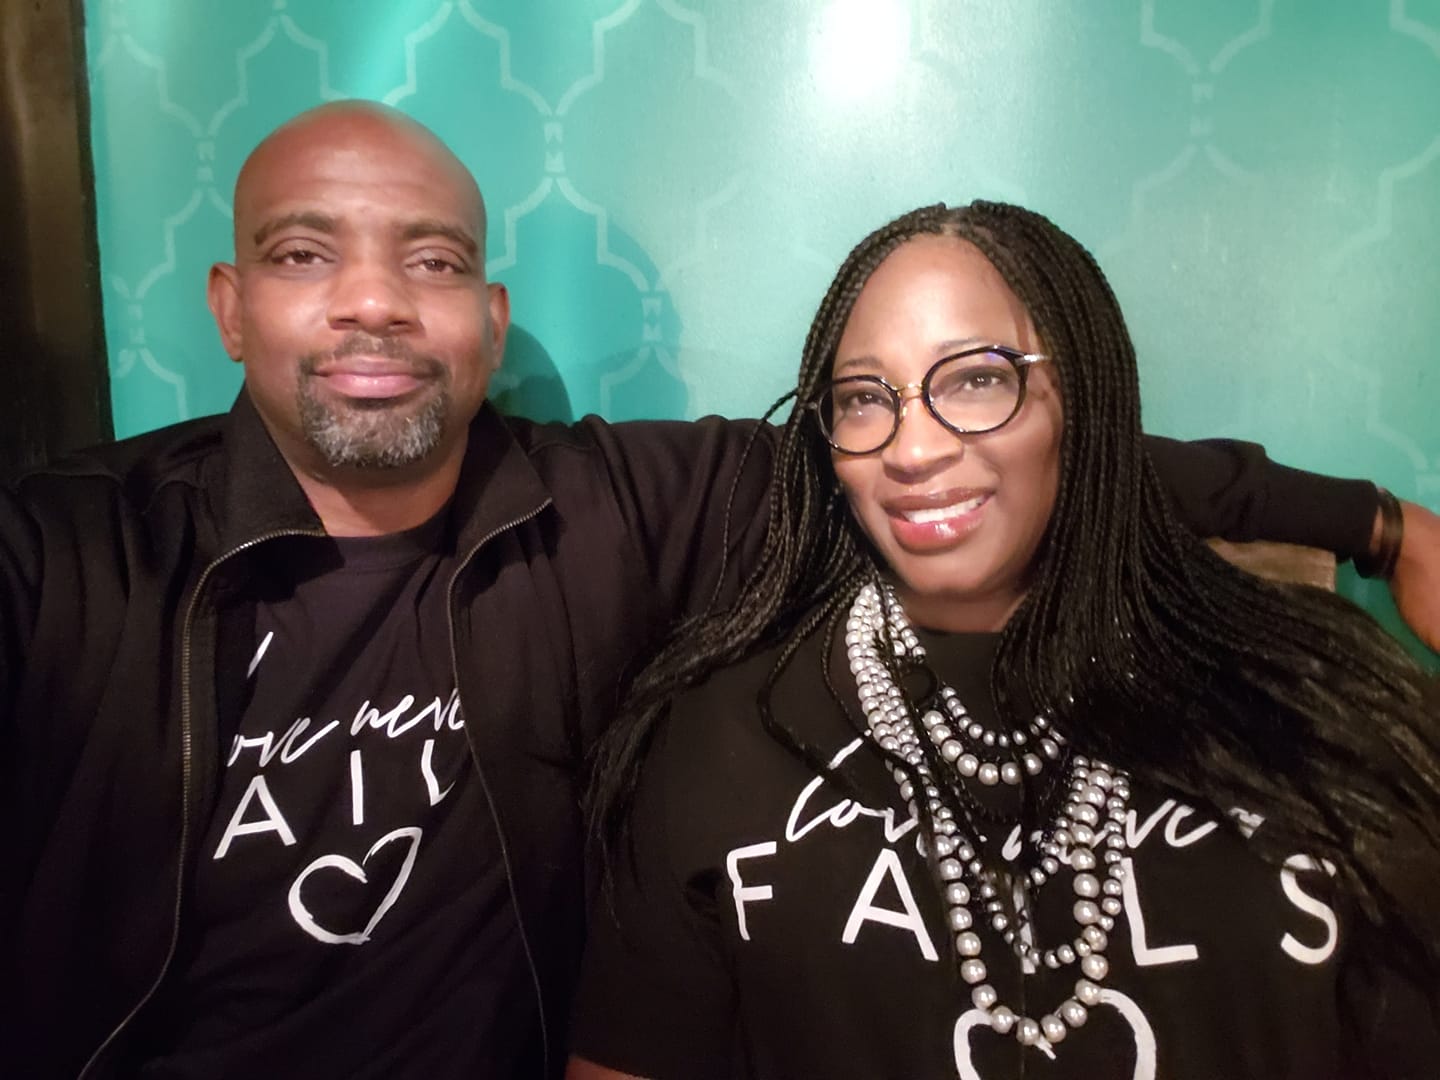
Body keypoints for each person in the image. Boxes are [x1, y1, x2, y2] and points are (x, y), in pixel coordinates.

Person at [0, 102, 1432, 1080]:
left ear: (489, 321)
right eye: (304, 253)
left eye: (430, 260)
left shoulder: (614, 507)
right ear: (228, 304)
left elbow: (1009, 458)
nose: (374, 300)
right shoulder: (65, 557)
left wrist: (1374, 523)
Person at [567, 203, 1440, 1079]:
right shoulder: (717, 742)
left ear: (1084, 396)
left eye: (977, 380)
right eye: (866, 399)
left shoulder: (1313, 699)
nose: (912, 449)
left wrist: (1384, 523)